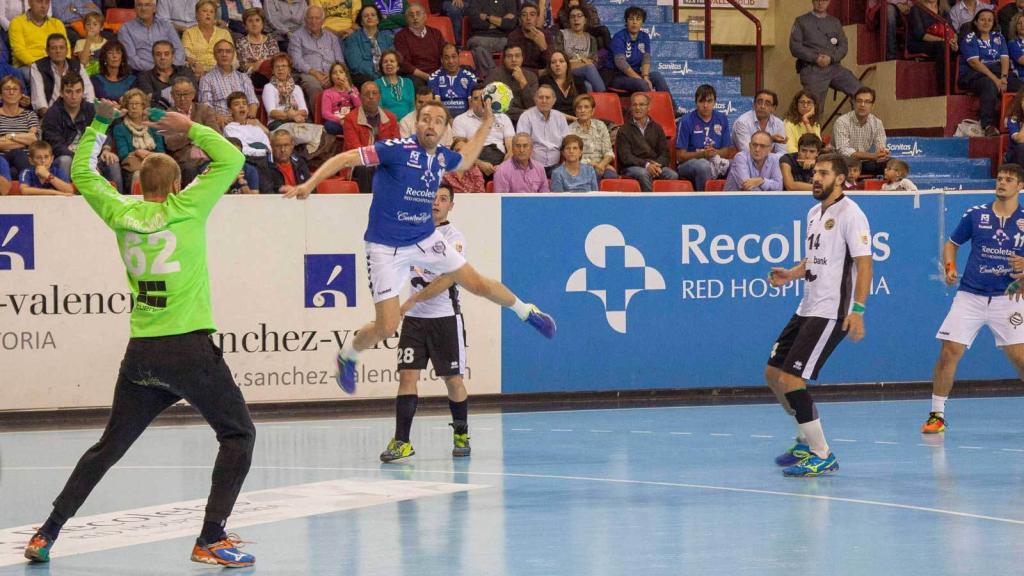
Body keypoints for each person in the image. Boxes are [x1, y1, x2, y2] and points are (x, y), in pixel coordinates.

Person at [22, 100, 256, 569]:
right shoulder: (187, 207)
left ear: (136, 185)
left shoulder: (120, 211)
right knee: (238, 435)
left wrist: (102, 123)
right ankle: (210, 537)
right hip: (188, 348)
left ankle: (47, 533)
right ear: (175, 185)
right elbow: (233, 160)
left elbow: (85, 176)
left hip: (144, 353)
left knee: (107, 448)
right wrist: (191, 128)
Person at [280, 96, 556, 393]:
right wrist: (310, 184)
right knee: (386, 327)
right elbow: (345, 158)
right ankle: (348, 356)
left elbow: (465, 160)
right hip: (385, 248)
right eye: (426, 118)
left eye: (438, 121)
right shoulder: (394, 150)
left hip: (424, 238)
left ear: (445, 130)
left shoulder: (441, 157)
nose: (431, 124)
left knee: (476, 283)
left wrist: (488, 123)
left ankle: (527, 311)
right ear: (417, 123)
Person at [766, 153, 873, 477]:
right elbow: (815, 259)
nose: (816, 178)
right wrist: (792, 273)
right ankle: (804, 437)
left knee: (792, 379)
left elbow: (865, 266)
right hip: (807, 306)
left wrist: (857, 310)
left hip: (831, 311)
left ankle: (821, 453)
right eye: (814, 172)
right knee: (773, 375)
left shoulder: (852, 215)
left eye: (823, 173)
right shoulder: (814, 212)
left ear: (840, 179)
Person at [922, 163, 1024, 434]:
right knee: (949, 351)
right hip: (970, 295)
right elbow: (952, 244)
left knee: (1020, 358)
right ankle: (937, 415)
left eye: (1009, 179)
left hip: (1009, 297)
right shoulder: (976, 214)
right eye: (1000, 178)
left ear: (1020, 186)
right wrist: (950, 267)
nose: (1002, 182)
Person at [380, 184, 473, 461]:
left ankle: (461, 434)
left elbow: (448, 278)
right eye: (433, 198)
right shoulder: (411, 233)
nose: (436, 203)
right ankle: (402, 441)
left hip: (444, 317)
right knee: (407, 375)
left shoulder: (454, 238)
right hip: (415, 321)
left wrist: (412, 301)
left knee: (452, 379)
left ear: (450, 206)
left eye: (443, 199)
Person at [42, 71, 122, 191]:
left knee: (112, 161)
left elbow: (105, 132)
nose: (74, 96)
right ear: (61, 93)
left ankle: (119, 202)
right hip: (68, 157)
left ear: (83, 92)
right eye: (69, 91)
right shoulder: (52, 114)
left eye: (78, 91)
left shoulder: (91, 109)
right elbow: (57, 147)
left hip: (93, 158)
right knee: (65, 160)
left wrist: (106, 149)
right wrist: (85, 163)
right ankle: (66, 201)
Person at [789, 0, 863, 113]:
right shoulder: (801, 21)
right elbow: (795, 47)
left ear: (828, 2)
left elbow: (843, 45)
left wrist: (831, 58)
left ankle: (857, 127)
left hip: (834, 68)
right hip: (812, 69)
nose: (820, 3)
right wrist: (815, 58)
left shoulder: (835, 22)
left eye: (824, 0)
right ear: (812, 1)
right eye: (817, 0)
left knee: (861, 93)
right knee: (813, 107)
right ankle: (812, 130)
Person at [960, 8, 1018, 136]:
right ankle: (988, 125)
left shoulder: (998, 37)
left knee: (1019, 85)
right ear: (976, 22)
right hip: (974, 75)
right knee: (989, 85)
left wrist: (1003, 77)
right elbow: (974, 63)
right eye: (982, 20)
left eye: (989, 20)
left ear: (993, 23)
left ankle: (1017, 122)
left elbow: (1004, 58)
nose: (986, 23)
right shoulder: (970, 38)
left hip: (997, 73)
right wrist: (996, 80)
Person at [675, 84, 734, 192]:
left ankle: (728, 201)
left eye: (709, 101)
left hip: (715, 159)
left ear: (714, 102)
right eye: (701, 101)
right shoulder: (686, 121)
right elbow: (680, 157)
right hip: (688, 164)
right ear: (696, 103)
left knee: (736, 164)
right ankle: (705, 202)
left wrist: (714, 153)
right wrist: (702, 154)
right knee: (703, 165)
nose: (705, 105)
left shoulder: (722, 118)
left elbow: (726, 152)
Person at [342, 81, 399, 191]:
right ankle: (367, 204)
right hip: (359, 162)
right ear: (360, 97)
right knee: (366, 168)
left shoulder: (391, 117)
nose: (371, 97)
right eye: (367, 94)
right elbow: (355, 150)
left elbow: (396, 145)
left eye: (374, 93)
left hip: (384, 159)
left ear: (380, 96)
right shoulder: (350, 119)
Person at [163, 76, 220, 184]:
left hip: (207, 155)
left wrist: (185, 133)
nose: (182, 98)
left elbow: (215, 135)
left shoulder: (205, 110)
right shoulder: (168, 115)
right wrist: (197, 131)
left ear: (193, 94)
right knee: (191, 170)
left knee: (214, 169)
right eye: (178, 94)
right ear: (172, 96)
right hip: (185, 160)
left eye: (186, 94)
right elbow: (171, 143)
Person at [616, 92, 676, 192]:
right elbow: (625, 157)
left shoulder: (657, 128)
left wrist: (656, 165)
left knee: (672, 175)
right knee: (644, 173)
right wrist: (646, 165)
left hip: (655, 165)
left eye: (641, 105)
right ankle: (650, 204)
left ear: (648, 108)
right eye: (634, 105)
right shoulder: (624, 130)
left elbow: (665, 154)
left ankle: (665, 204)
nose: (637, 108)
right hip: (632, 167)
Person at [604, 6, 670, 97]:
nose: (634, 22)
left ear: (642, 22)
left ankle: (672, 109)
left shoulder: (644, 36)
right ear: (626, 21)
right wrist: (641, 79)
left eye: (638, 19)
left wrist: (645, 76)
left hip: (636, 74)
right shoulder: (619, 37)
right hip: (617, 76)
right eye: (631, 19)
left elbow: (646, 59)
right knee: (642, 84)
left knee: (657, 77)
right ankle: (651, 109)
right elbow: (620, 63)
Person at [288, 5, 347, 103]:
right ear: (305, 19)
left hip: (331, 73)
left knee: (344, 82)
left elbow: (340, 61)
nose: (314, 21)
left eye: (317, 18)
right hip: (309, 74)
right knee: (314, 86)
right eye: (310, 18)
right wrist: (315, 73)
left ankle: (343, 116)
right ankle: (319, 118)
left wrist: (331, 74)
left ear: (323, 21)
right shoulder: (296, 37)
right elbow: (296, 61)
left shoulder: (332, 37)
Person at [451, 85, 513, 177]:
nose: (481, 102)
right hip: (473, 162)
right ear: (470, 101)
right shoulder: (460, 120)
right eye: (476, 98)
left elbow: (511, 149)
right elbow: (459, 150)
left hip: (501, 161)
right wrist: (479, 164)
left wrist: (502, 167)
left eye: (483, 97)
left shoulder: (503, 118)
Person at [223, 90, 276, 194]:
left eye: (244, 103)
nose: (241, 106)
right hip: (247, 161)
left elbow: (267, 146)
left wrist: (263, 151)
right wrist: (261, 150)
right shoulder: (230, 128)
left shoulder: (256, 128)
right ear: (230, 110)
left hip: (265, 161)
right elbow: (242, 149)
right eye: (237, 104)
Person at [29, 32, 93, 115]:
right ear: (47, 51)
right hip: (50, 115)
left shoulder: (77, 66)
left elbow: (89, 94)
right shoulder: (38, 67)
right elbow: (39, 101)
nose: (58, 51)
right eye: (54, 48)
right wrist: (52, 120)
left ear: (67, 50)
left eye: (61, 47)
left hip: (77, 115)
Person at [198, 39, 259, 122]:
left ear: (233, 55)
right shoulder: (206, 79)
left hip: (244, 120)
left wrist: (250, 118)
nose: (224, 55)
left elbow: (253, 102)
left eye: (228, 51)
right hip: (221, 122)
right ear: (214, 55)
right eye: (220, 51)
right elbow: (206, 107)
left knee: (267, 133)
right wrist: (219, 118)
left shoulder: (243, 77)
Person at [113, 88, 166, 183]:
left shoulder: (153, 126)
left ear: (143, 106)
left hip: (154, 163)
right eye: (130, 104)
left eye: (137, 104)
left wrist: (148, 155)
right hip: (132, 169)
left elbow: (161, 151)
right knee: (139, 175)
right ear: (126, 107)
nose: (134, 107)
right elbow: (123, 154)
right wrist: (137, 152)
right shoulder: (119, 128)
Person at [117, 0, 186, 73]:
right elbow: (131, 59)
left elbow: (179, 50)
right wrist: (157, 70)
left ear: (154, 8)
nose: (143, 8)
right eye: (139, 5)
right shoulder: (126, 28)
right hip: (142, 73)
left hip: (171, 71)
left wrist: (171, 68)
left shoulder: (166, 25)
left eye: (147, 5)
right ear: (135, 8)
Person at [833, 86, 889, 176]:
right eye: (859, 101)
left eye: (867, 102)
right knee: (842, 163)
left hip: (864, 163)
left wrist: (882, 152)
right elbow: (843, 150)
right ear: (854, 103)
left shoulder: (877, 123)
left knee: (891, 164)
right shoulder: (842, 121)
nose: (862, 105)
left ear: (872, 105)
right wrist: (872, 156)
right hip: (844, 163)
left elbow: (881, 146)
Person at [516, 84, 568, 176]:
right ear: (535, 99)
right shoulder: (526, 117)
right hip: (531, 166)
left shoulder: (560, 117)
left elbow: (567, 142)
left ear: (554, 100)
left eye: (547, 98)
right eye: (540, 97)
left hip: (556, 166)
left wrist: (566, 162)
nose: (544, 101)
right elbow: (522, 145)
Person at [908, 0, 956, 94]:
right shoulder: (916, 9)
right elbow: (920, 34)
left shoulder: (944, 10)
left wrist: (954, 41)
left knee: (960, 48)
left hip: (943, 42)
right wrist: (944, 41)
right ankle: (944, 89)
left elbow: (952, 30)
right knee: (943, 48)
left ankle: (960, 86)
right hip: (920, 43)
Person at [483, 44, 537, 124]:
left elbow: (533, 105)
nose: (514, 59)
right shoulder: (494, 75)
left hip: (527, 120)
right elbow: (494, 105)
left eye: (517, 56)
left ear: (522, 58)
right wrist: (522, 112)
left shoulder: (531, 77)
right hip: (500, 119)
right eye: (509, 56)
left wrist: (523, 82)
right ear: (504, 59)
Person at [134, 40, 197, 109]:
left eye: (166, 54)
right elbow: (149, 101)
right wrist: (182, 92)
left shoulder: (184, 71)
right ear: (153, 57)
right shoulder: (145, 76)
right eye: (158, 54)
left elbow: (194, 94)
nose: (162, 57)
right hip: (160, 115)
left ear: (173, 56)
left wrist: (159, 95)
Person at [393, 3, 445, 86]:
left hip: (437, 73)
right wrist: (426, 76)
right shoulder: (400, 37)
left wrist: (439, 73)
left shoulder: (436, 33)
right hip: (416, 75)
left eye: (418, 14)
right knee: (415, 83)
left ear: (425, 17)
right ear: (406, 19)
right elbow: (404, 64)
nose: (415, 17)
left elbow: (444, 54)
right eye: (411, 15)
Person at [343, 4, 395, 86]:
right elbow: (356, 65)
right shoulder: (352, 39)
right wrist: (377, 77)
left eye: (373, 15)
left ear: (378, 20)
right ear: (361, 22)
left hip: (386, 73)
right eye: (365, 16)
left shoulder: (387, 37)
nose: (369, 17)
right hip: (364, 77)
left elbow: (393, 59)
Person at [0, 74, 40, 177]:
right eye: (7, 89)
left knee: (14, 172)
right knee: (16, 153)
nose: (11, 92)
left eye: (15, 89)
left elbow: (33, 139)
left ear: (21, 94)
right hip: (2, 161)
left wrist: (10, 136)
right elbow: (29, 139)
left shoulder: (29, 115)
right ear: (0, 94)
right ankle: (31, 180)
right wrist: (23, 141)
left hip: (25, 161)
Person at [465, 0, 517, 78]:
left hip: (501, 39)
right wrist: (500, 21)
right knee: (477, 47)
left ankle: (489, 78)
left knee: (511, 46)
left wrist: (487, 17)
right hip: (479, 38)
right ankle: (495, 76)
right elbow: (475, 22)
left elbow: (511, 24)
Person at [183, 0, 235, 77]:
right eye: (204, 11)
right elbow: (186, 54)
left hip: (221, 71)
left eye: (211, 12)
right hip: (197, 71)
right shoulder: (189, 33)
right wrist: (195, 64)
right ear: (197, 14)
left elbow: (233, 56)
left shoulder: (224, 33)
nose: (208, 14)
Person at [568, 94, 614, 180]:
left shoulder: (600, 126)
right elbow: (573, 155)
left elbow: (608, 151)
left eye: (586, 107)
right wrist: (596, 165)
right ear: (575, 112)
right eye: (579, 107)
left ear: (592, 111)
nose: (582, 110)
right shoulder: (570, 130)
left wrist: (602, 164)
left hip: (602, 165)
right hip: (580, 166)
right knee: (594, 174)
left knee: (611, 176)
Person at [9, 0, 67, 67]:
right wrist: (40, 66)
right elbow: (19, 51)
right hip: (28, 66)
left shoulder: (57, 23)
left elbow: (66, 48)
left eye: (47, 3)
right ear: (30, 2)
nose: (43, 6)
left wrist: (61, 64)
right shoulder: (17, 23)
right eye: (39, 2)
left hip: (55, 65)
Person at [560, 5, 604, 92]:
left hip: (583, 74)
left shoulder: (591, 39)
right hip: (566, 72)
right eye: (572, 17)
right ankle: (603, 95)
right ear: (569, 20)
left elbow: (594, 62)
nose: (576, 19)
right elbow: (559, 59)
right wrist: (582, 61)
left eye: (579, 16)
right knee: (588, 68)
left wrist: (575, 61)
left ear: (585, 20)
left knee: (588, 86)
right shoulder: (562, 34)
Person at [731, 89, 786, 155]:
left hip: (770, 162)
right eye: (759, 102)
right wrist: (770, 139)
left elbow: (782, 152)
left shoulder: (779, 124)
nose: (762, 106)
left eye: (767, 104)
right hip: (746, 163)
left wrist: (771, 160)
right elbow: (748, 151)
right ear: (754, 105)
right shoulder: (742, 122)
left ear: (773, 108)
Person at [428, 42, 476, 118]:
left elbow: (472, 107)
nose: (451, 61)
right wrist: (449, 120)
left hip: (465, 118)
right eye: (446, 58)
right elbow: (437, 107)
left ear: (458, 57)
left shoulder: (470, 77)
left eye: (454, 57)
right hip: (443, 119)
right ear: (442, 60)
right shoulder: (434, 78)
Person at [507, 1, 554, 74]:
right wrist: (537, 72)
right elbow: (513, 65)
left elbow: (552, 63)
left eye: (532, 15)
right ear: (520, 19)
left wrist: (543, 47)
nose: (528, 18)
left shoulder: (546, 34)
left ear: (537, 18)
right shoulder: (513, 36)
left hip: (544, 75)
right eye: (524, 15)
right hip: (521, 75)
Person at [539, 50, 584, 119]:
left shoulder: (577, 80)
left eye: (561, 61)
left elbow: (585, 102)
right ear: (550, 66)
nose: (557, 64)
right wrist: (571, 118)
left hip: (577, 120)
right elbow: (545, 108)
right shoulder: (544, 81)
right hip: (554, 121)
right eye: (553, 62)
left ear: (567, 64)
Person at [321, 61, 360, 135]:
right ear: (331, 77)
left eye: (341, 72)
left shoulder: (353, 89)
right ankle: (353, 131)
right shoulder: (327, 93)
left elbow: (359, 106)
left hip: (352, 119)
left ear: (346, 75)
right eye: (334, 73)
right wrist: (340, 120)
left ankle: (352, 130)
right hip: (338, 122)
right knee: (329, 125)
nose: (338, 74)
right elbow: (325, 113)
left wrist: (349, 89)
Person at [375, 49, 415, 120]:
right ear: (382, 66)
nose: (388, 63)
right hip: (388, 124)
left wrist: (408, 123)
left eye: (392, 61)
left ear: (398, 66)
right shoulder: (376, 84)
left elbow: (412, 106)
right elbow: (379, 109)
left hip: (408, 123)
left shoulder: (408, 82)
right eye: (385, 62)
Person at [72, 11, 104, 75]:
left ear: (101, 27)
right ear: (84, 27)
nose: (91, 27)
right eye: (88, 24)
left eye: (95, 24)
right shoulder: (80, 42)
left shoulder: (107, 43)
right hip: (86, 75)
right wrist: (89, 40)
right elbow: (83, 62)